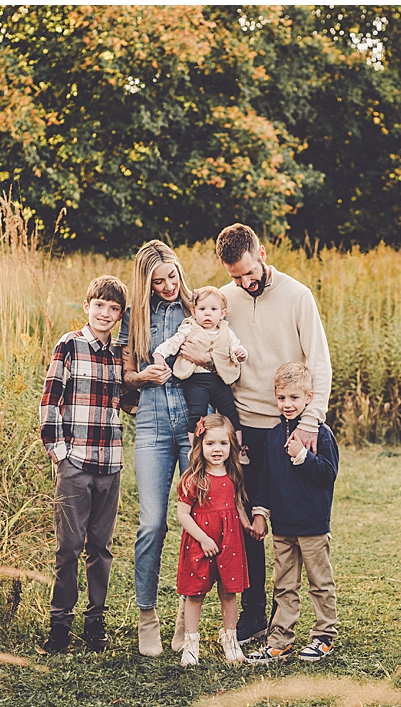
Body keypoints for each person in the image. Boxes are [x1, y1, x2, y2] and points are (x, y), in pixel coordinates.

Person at [182, 223, 332, 644]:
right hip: (244, 427)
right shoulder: (223, 301)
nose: (244, 283)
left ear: (262, 254)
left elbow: (319, 362)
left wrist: (310, 421)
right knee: (244, 522)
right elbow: (216, 359)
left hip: (288, 425)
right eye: (235, 277)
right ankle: (250, 615)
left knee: (286, 522)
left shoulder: (298, 296)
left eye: (250, 272)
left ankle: (293, 615)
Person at [118, 239, 208, 657]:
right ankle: (146, 615)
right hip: (153, 424)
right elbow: (126, 374)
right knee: (153, 523)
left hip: (193, 426)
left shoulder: (200, 307)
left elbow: (223, 361)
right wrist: (144, 378)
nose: (169, 285)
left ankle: (184, 616)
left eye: (172, 276)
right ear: (146, 282)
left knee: (198, 521)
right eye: (159, 281)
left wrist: (203, 360)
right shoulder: (136, 316)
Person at [39, 275, 129, 654]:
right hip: (75, 462)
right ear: (87, 306)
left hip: (110, 461)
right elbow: (49, 403)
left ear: (121, 315)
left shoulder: (121, 353)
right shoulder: (70, 345)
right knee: (69, 546)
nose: (105, 313)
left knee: (101, 548)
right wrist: (60, 455)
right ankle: (60, 624)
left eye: (114, 308)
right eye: (99, 305)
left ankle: (96, 623)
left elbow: (126, 402)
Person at [247, 362, 340, 663]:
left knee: (319, 582)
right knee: (284, 584)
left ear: (309, 397)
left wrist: (302, 456)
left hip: (312, 523)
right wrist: (261, 512)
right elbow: (265, 479)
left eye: (294, 398)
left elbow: (328, 474)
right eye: (282, 398)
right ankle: (280, 639)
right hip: (283, 525)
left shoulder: (321, 434)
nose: (288, 404)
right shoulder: (273, 437)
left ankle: (324, 635)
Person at [174, 414, 252, 666]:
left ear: (231, 445)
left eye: (223, 443)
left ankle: (230, 640)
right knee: (194, 595)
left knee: (229, 593)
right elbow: (183, 514)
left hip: (230, 541)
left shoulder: (234, 474)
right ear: (200, 445)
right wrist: (204, 539)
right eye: (210, 444)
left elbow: (236, 504)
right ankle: (191, 645)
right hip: (200, 542)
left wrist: (247, 524)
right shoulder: (193, 478)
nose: (217, 449)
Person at [152, 286, 249, 463]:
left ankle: (239, 450)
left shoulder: (227, 331)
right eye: (202, 309)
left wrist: (241, 354)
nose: (207, 314)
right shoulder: (189, 328)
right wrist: (159, 354)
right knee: (197, 413)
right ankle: (195, 449)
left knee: (230, 412)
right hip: (195, 380)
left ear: (222, 313)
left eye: (213, 309)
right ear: (193, 311)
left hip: (220, 379)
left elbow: (236, 348)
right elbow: (173, 343)